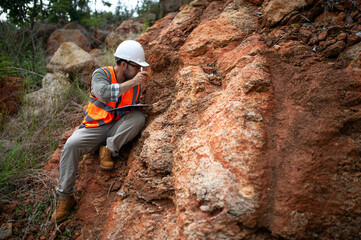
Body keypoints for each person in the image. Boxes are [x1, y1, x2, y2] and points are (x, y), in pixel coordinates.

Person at [51, 40, 149, 223]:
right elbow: (104, 94)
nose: (139, 72)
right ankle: (66, 197)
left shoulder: (132, 79)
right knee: (71, 145)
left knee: (139, 118)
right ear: (123, 64)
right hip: (96, 127)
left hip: (117, 125)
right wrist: (134, 82)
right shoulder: (101, 74)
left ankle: (108, 149)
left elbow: (130, 106)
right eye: (137, 67)